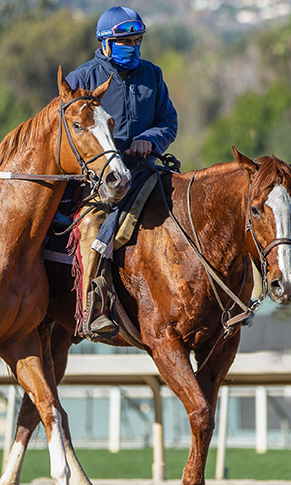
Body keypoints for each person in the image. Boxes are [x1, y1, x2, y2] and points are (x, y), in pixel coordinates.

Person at [66, 6, 178, 338]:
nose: (132, 45)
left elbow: (168, 122)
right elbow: (66, 130)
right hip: (99, 180)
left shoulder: (152, 75)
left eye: (136, 39)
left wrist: (149, 140)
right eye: (124, 40)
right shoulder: (82, 78)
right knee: (92, 226)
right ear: (105, 43)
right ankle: (94, 308)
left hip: (145, 169)